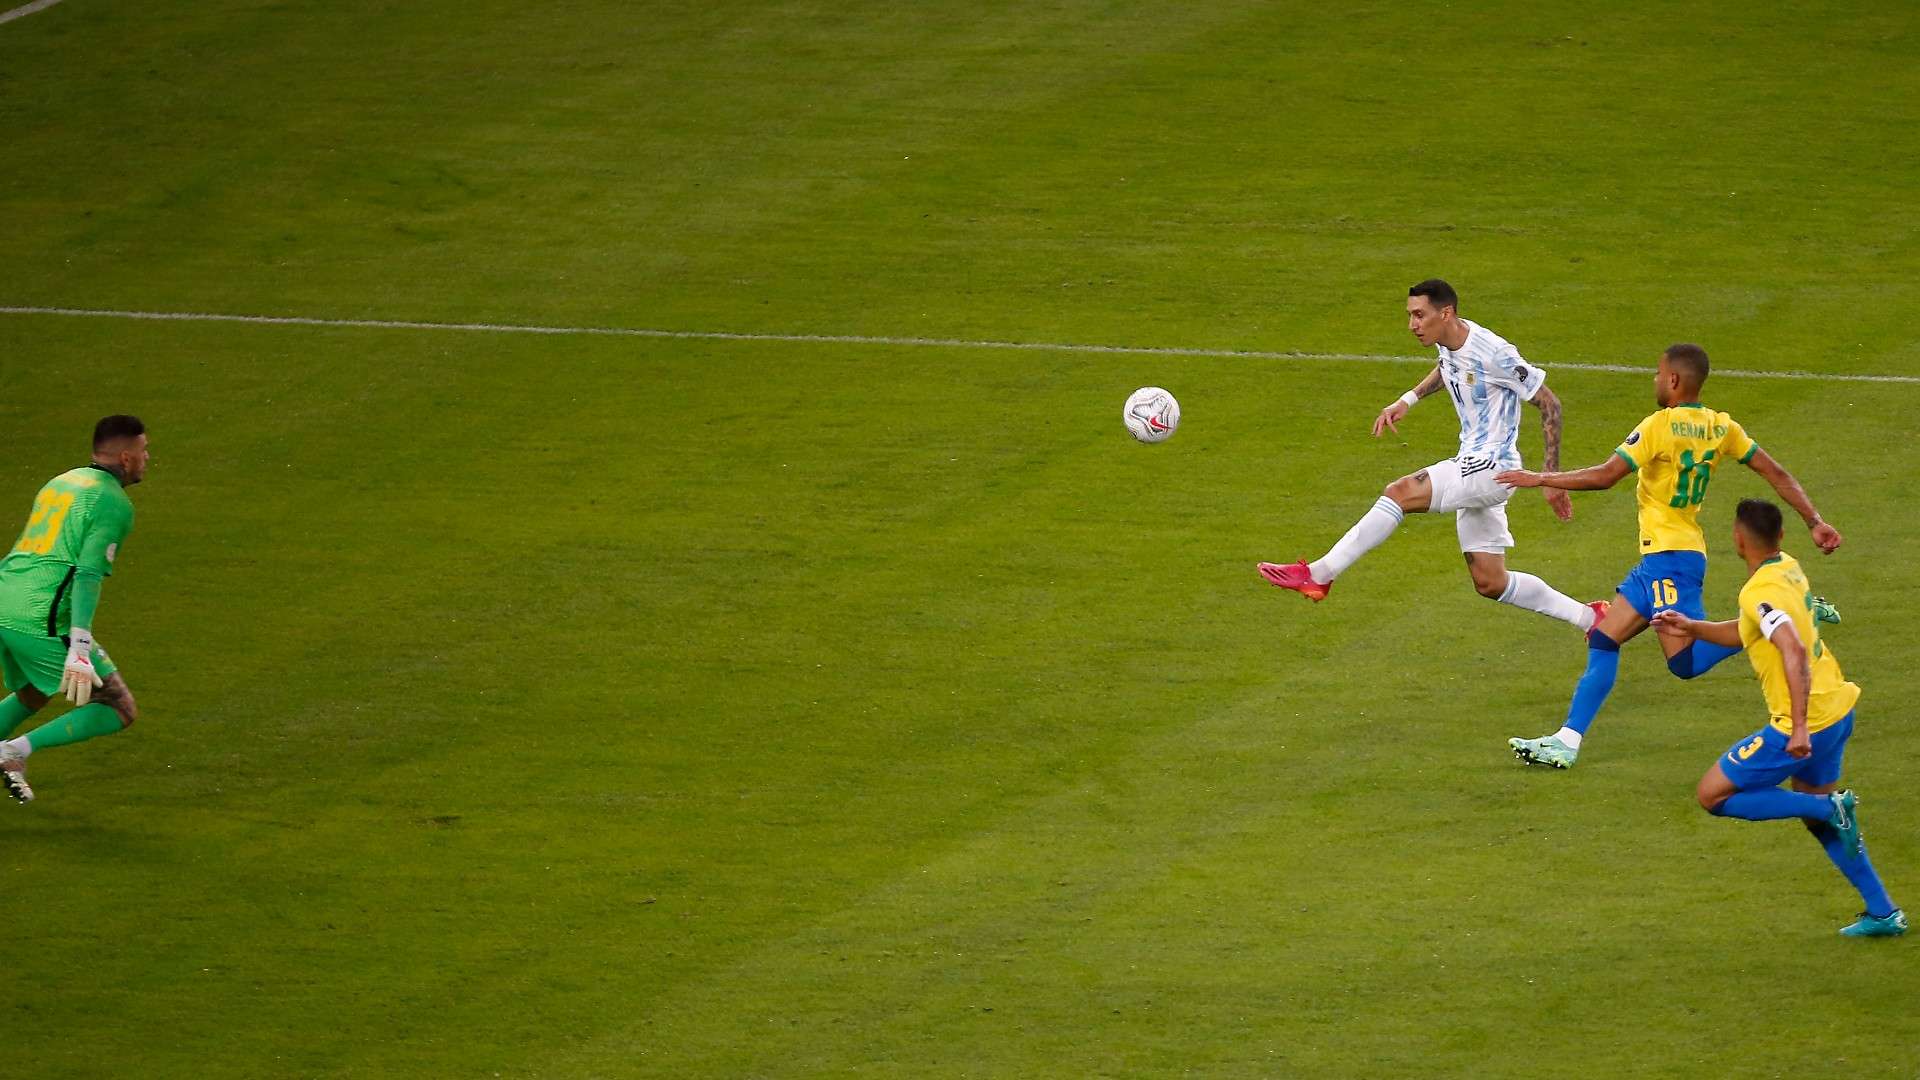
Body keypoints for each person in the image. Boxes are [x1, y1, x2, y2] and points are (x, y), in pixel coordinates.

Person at [1499, 345, 1840, 768]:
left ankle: (1784, 619)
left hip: (1670, 560)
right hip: (1666, 557)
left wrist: (1541, 478)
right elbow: (1777, 473)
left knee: (1684, 662)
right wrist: (1814, 520)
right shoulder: (1721, 427)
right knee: (1605, 637)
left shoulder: (1659, 426)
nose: (1656, 380)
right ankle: (1566, 741)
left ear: (1674, 381)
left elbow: (1607, 476)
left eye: (1659, 373)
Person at [1259, 280, 1599, 632]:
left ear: (1445, 313)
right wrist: (1408, 400)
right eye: (1410, 316)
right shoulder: (1450, 340)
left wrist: (1551, 479)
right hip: (1476, 462)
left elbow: (1550, 402)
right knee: (1490, 581)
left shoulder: (1495, 352)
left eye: (1419, 315)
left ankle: (1319, 574)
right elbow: (1447, 367)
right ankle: (1591, 618)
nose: (1412, 325)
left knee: (1400, 492)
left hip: (1492, 466)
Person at [1652, 499, 1902, 937]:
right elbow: (1747, 630)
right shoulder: (1787, 566)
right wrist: (1693, 628)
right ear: (1780, 537)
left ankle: (1829, 807)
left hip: (1803, 724)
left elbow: (1791, 647)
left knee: (1712, 794)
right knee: (1822, 823)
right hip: (1837, 707)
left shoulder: (1758, 592)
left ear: (1737, 538)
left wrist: (1799, 726)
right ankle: (1882, 911)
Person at [0, 415, 150, 804]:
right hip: (40, 613)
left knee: (35, 689)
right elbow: (86, 573)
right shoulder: (114, 502)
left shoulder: (62, 480)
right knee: (118, 706)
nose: (147, 457)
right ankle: (12, 751)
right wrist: (79, 646)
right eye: (143, 450)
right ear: (125, 457)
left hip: (6, 592)